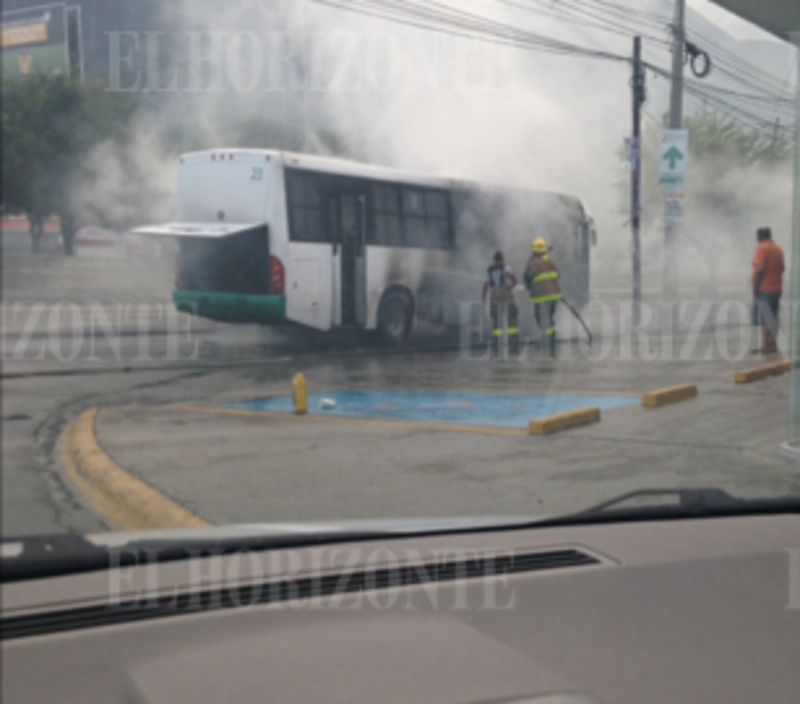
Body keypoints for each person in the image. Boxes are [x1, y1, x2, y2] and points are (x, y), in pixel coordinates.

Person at [524, 237, 562, 354]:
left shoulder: (533, 263)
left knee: (540, 318)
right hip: (554, 296)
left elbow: (527, 277)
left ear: (534, 251)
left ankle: (547, 341)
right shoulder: (550, 261)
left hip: (541, 297)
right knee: (549, 318)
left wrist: (529, 286)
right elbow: (557, 275)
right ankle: (550, 340)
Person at [751, 226, 785, 354]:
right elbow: (782, 268)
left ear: (760, 236)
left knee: (765, 318)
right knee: (773, 317)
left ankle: (766, 346)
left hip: (764, 288)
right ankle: (773, 344)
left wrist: (756, 287)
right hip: (777, 288)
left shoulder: (762, 248)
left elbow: (760, 269)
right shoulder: (778, 248)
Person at [482, 250, 519, 354]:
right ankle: (514, 349)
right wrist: (511, 286)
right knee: (512, 323)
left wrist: (483, 299)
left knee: (496, 326)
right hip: (507, 298)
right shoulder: (506, 268)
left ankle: (497, 349)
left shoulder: (489, 270)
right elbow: (514, 279)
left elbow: (486, 285)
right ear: (502, 259)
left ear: (494, 259)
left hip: (494, 299)